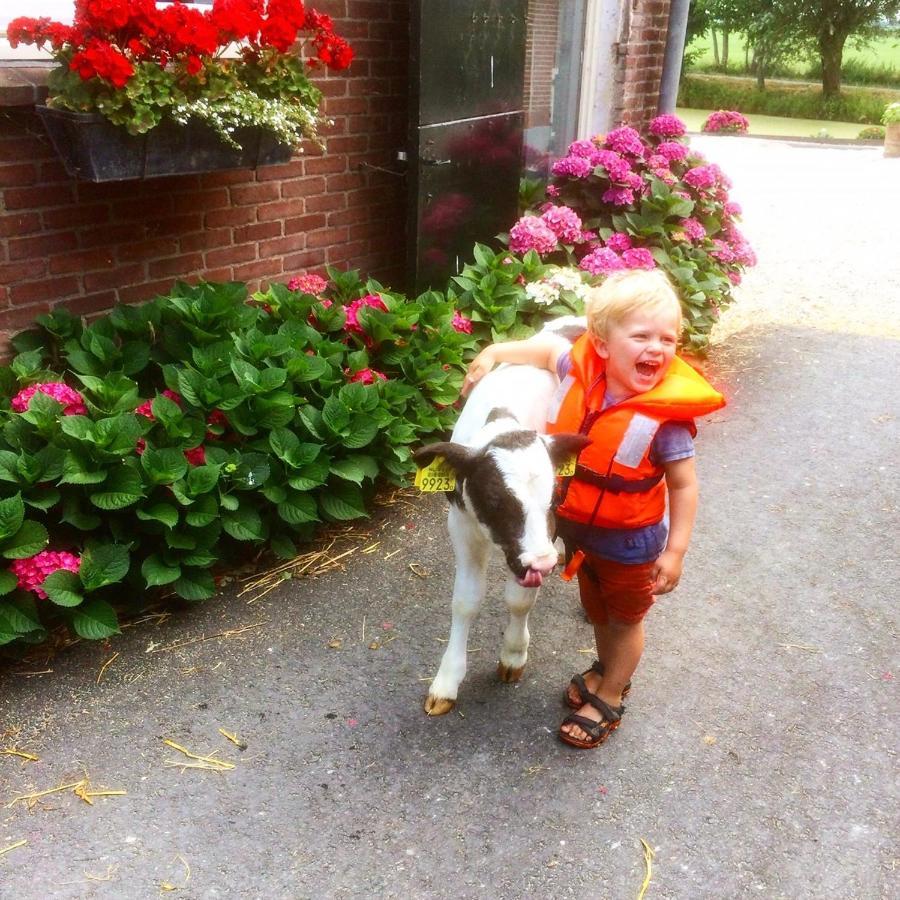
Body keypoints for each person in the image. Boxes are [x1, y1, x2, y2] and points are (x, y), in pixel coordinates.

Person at [460, 268, 725, 749]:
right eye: (641, 335)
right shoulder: (582, 371)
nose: (657, 348)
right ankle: (606, 670)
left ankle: (613, 695)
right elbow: (545, 351)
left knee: (626, 620)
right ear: (601, 344)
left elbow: (684, 486)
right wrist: (496, 351)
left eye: (668, 338)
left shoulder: (665, 422)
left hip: (631, 540)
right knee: (598, 611)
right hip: (583, 534)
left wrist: (677, 550)